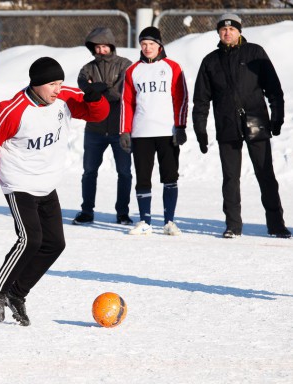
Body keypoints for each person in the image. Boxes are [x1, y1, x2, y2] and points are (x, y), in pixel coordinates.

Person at [0, 57, 109, 326]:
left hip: (47, 183)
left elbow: (97, 115)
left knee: (55, 244)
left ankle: (17, 294)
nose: (58, 89)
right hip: (19, 183)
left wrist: (94, 100)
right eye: (52, 84)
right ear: (36, 84)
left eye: (60, 82)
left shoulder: (65, 98)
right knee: (29, 240)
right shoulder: (12, 110)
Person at [192, 13, 291, 239]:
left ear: (240, 31)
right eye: (223, 29)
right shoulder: (210, 61)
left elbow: (274, 89)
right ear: (218, 33)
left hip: (256, 121)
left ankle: (276, 225)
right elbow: (201, 100)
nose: (227, 32)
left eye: (232, 29)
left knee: (265, 174)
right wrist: (200, 130)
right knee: (230, 177)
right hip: (227, 125)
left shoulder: (255, 53)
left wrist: (277, 117)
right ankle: (233, 226)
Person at [119, 26, 189, 236]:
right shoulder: (133, 71)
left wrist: (181, 126)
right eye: (143, 44)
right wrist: (124, 130)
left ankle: (169, 221)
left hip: (167, 132)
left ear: (159, 45)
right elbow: (126, 102)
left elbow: (181, 98)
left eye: (151, 44)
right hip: (141, 133)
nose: (147, 48)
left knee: (170, 176)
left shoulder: (172, 67)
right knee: (142, 177)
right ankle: (144, 221)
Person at [73, 27, 133, 226]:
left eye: (104, 46)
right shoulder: (87, 68)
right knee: (89, 171)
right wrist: (93, 90)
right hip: (94, 129)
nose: (101, 50)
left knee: (124, 172)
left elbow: (124, 92)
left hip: (120, 128)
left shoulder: (125, 65)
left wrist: (101, 90)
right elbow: (84, 87)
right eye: (97, 47)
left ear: (111, 46)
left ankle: (122, 213)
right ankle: (86, 210)